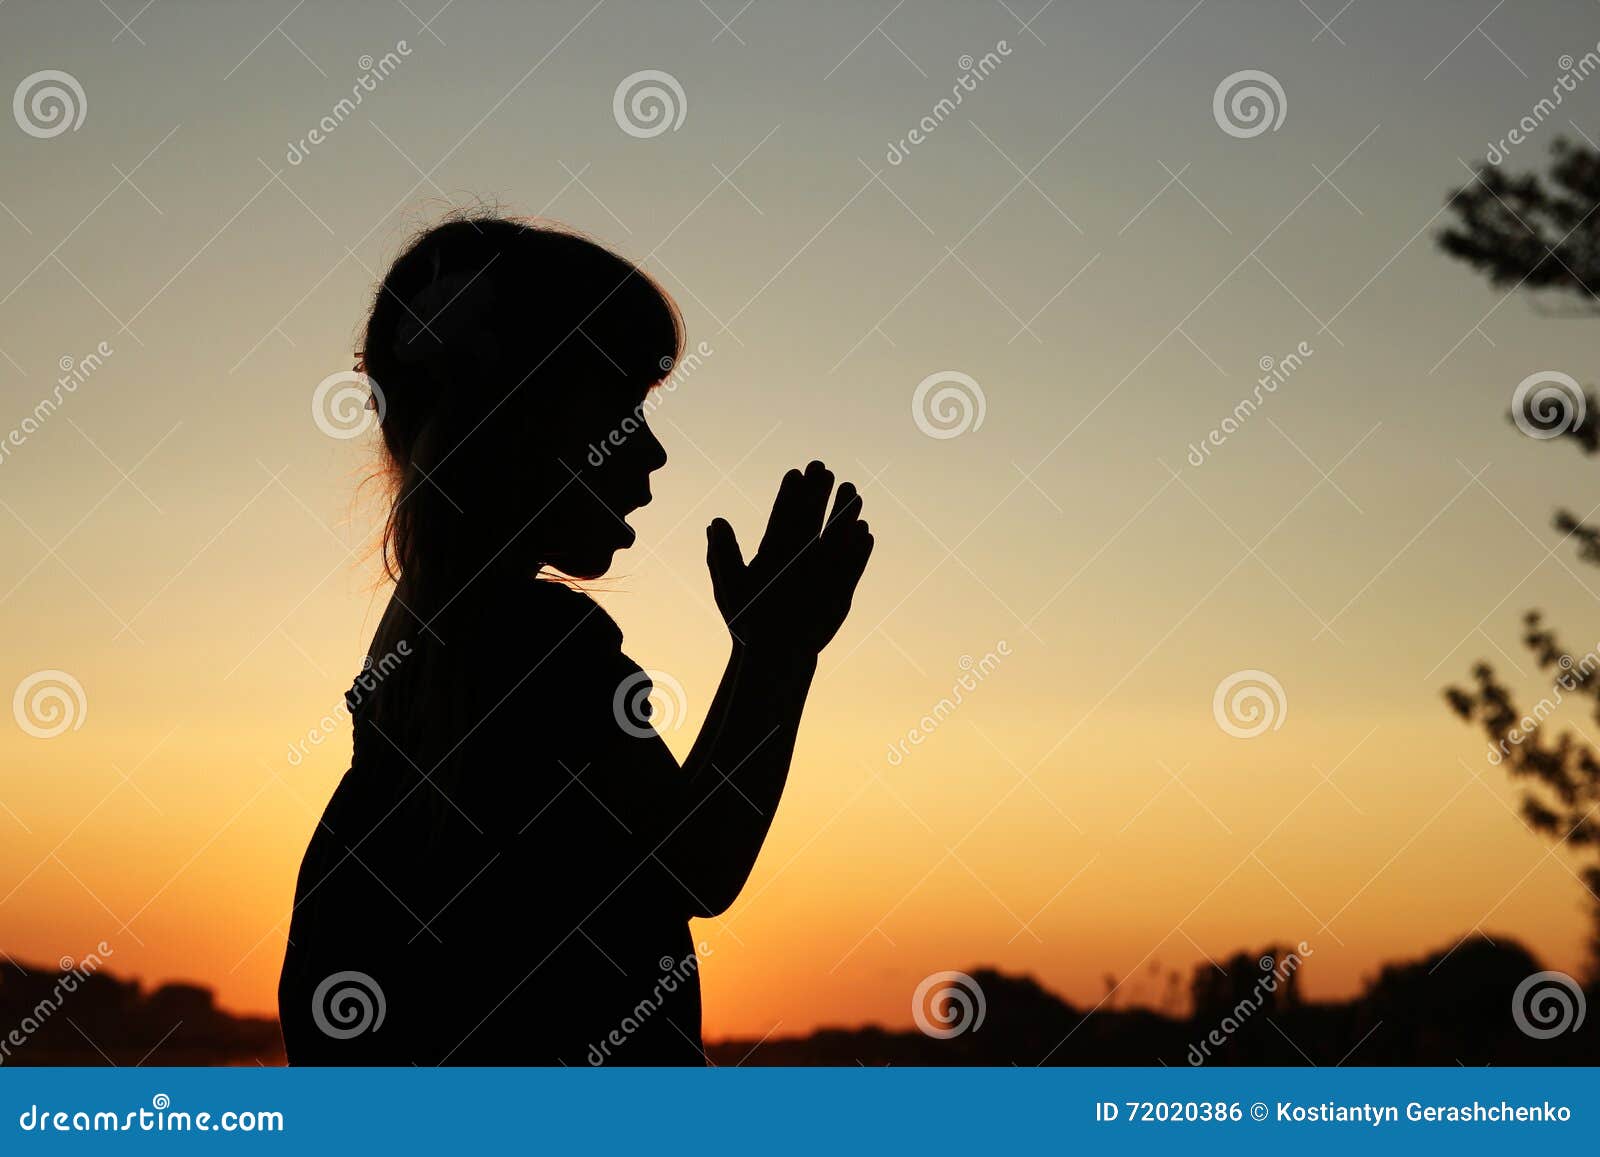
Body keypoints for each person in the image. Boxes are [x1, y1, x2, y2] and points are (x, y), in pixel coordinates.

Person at [278, 214, 874, 1065]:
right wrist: (777, 656)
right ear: (524, 425)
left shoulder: (408, 654)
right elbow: (695, 863)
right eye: (623, 412)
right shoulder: (543, 645)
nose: (656, 453)